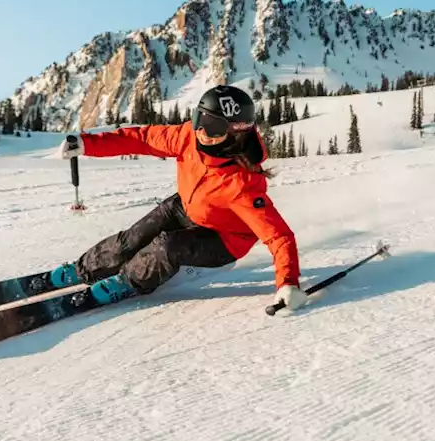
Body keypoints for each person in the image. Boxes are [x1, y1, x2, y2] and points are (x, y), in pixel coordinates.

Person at [53, 84, 308, 312]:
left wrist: (288, 283)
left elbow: (279, 236)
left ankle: (126, 281)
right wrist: (88, 144)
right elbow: (142, 139)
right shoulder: (188, 136)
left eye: (213, 126)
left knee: (166, 247)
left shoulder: (241, 184)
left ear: (236, 133)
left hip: (223, 240)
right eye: (200, 118)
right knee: (134, 237)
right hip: (188, 206)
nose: (201, 130)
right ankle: (83, 269)